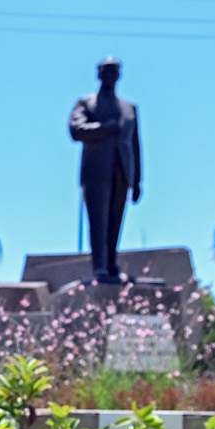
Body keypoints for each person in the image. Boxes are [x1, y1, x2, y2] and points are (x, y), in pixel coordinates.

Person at [67, 56, 142, 283]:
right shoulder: (86, 103)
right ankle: (98, 265)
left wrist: (137, 180)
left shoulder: (130, 109)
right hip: (96, 172)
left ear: (119, 75)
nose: (110, 75)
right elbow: (76, 130)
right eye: (105, 71)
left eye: (114, 71)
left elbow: (136, 146)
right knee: (98, 220)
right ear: (98, 74)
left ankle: (111, 263)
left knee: (115, 220)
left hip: (122, 172)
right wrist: (104, 128)